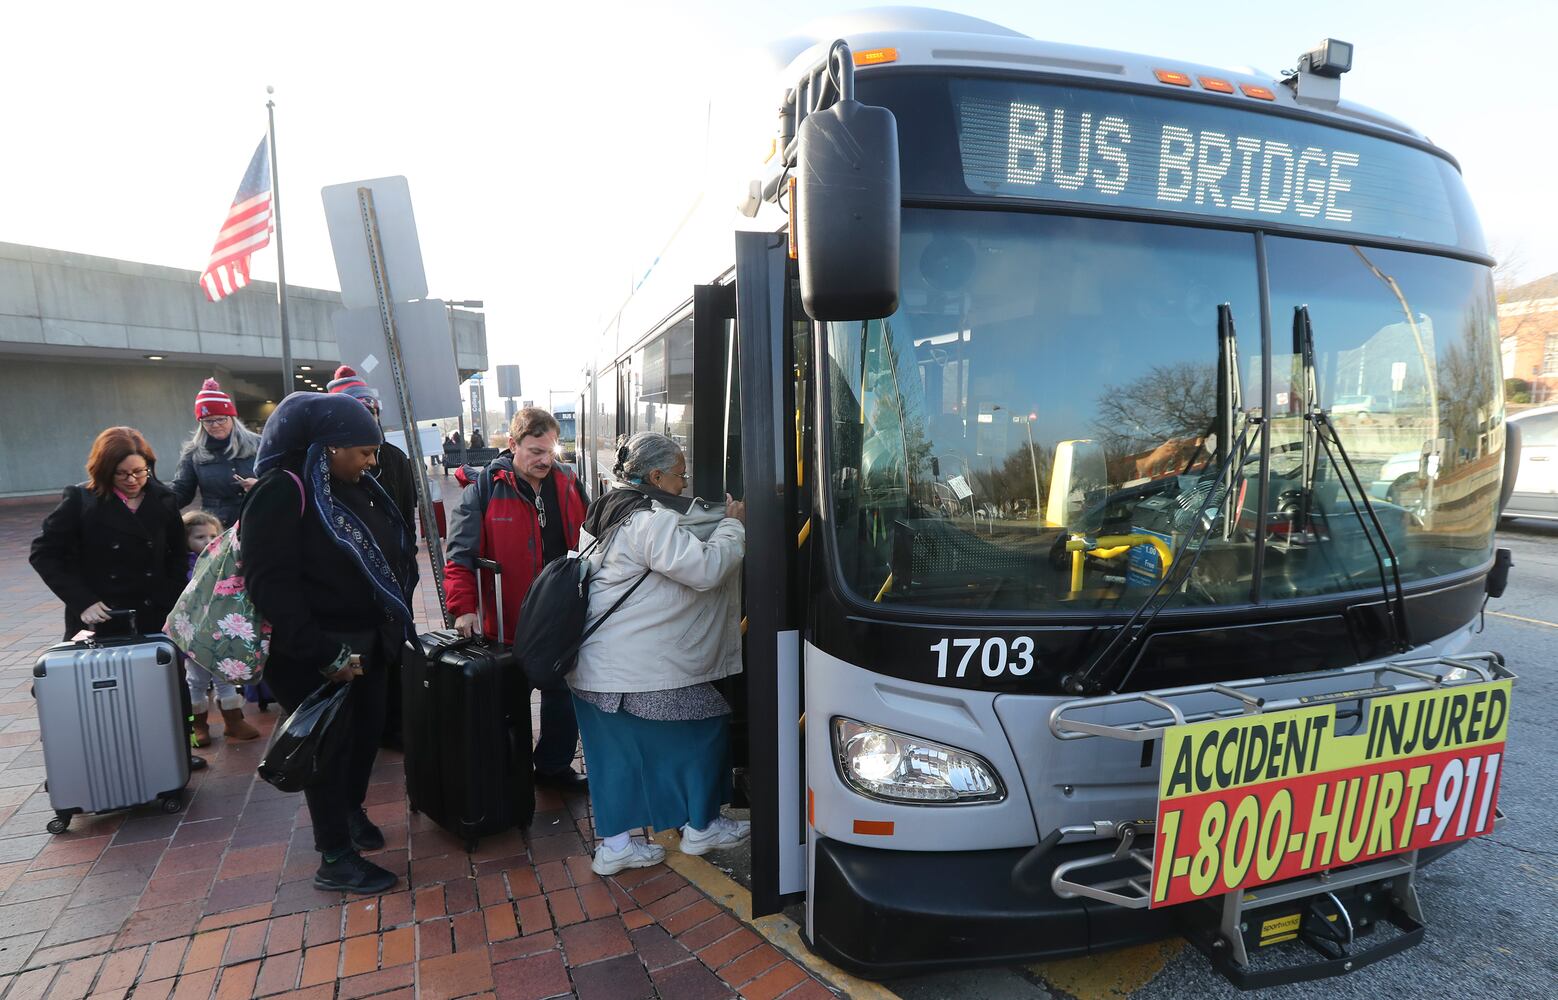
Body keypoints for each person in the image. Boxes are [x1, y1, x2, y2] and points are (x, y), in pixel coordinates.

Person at [240, 392, 419, 894]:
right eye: (362, 451)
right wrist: (324, 654)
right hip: (317, 652)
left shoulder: (351, 486)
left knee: (364, 740)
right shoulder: (282, 491)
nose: (371, 461)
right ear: (327, 449)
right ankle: (335, 856)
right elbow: (270, 584)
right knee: (328, 753)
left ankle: (350, 810)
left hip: (369, 642)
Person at [570, 432, 748, 875]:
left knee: (613, 758)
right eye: (680, 474)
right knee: (705, 727)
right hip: (629, 667)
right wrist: (732, 524)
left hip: (590, 662)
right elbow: (705, 569)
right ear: (654, 475)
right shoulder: (648, 520)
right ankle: (702, 826)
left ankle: (615, 847)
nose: (683, 483)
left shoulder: (607, 507)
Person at [29, 426, 208, 772]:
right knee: (104, 689)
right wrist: (83, 601)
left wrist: (171, 594)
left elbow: (174, 552)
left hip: (155, 609)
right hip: (102, 612)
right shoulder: (81, 500)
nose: (133, 480)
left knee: (165, 684)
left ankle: (177, 750)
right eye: (122, 473)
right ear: (104, 469)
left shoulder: (163, 497)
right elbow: (44, 553)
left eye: (140, 471)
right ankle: (112, 757)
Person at [444, 407, 589, 790]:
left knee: (563, 699)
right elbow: (459, 555)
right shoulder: (485, 490)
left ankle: (553, 768)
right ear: (512, 445)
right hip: (506, 626)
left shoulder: (569, 483)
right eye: (535, 451)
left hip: (560, 620)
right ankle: (510, 775)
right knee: (508, 707)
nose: (545, 460)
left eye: (550, 451)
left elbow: (593, 539)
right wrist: (463, 609)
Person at [326, 364, 416, 750]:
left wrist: (404, 565)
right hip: (351, 592)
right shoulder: (314, 477)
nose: (371, 463)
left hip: (393, 578)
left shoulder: (394, 460)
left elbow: (406, 518)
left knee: (394, 651)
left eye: (373, 412)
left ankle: (394, 722)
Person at [181, 511, 260, 746]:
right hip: (195, 633)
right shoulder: (185, 566)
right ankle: (197, 724)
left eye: (213, 535)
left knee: (224, 676)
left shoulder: (224, 559)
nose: (207, 541)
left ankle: (233, 721)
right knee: (196, 680)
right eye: (199, 537)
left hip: (221, 629)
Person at [326, 366, 417, 529]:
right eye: (363, 413)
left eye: (374, 412)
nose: (371, 420)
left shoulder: (396, 459)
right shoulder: (318, 473)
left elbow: (407, 522)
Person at [170, 378, 259, 526]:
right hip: (217, 527)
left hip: (257, 519)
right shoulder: (193, 452)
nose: (215, 425)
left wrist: (260, 484)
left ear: (232, 418)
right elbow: (182, 490)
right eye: (208, 421)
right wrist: (157, 503)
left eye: (221, 419)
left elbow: (277, 479)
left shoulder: (258, 444)